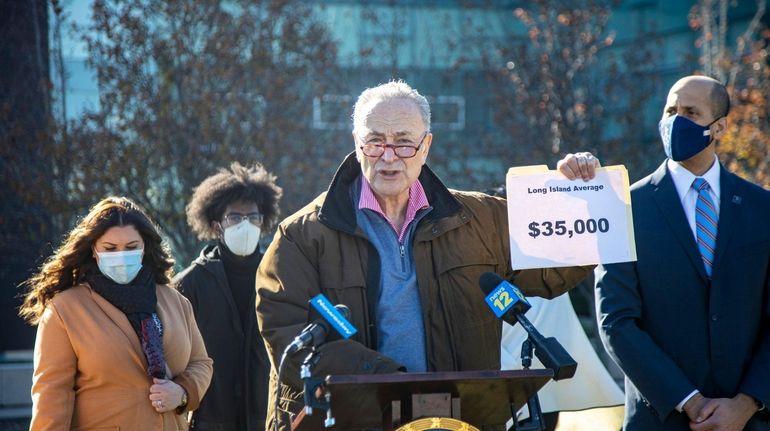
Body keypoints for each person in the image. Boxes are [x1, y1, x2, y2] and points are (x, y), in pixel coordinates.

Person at [255, 80, 600, 429]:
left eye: (404, 142)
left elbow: (555, 269)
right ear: (356, 144)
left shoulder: (481, 219)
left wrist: (578, 197)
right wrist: (391, 383)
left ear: (426, 146)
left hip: (457, 421)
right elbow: (288, 334)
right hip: (351, 421)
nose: (388, 156)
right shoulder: (302, 235)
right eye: (375, 141)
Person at [595, 75, 770, 431]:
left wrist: (747, 403)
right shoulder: (624, 208)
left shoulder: (762, 208)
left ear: (719, 127)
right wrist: (689, 400)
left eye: (691, 112)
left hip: (749, 422)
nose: (676, 120)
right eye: (670, 110)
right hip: (660, 420)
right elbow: (616, 320)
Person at [19, 197, 213, 431]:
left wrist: (182, 392)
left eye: (131, 247)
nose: (121, 256)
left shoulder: (174, 301)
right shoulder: (65, 310)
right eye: (110, 249)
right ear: (93, 249)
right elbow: (51, 396)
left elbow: (201, 363)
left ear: (144, 248)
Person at [174, 162, 282, 430]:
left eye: (253, 217)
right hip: (210, 419)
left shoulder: (280, 276)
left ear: (263, 221)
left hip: (266, 419)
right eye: (235, 217)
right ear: (216, 225)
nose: (245, 225)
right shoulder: (190, 284)